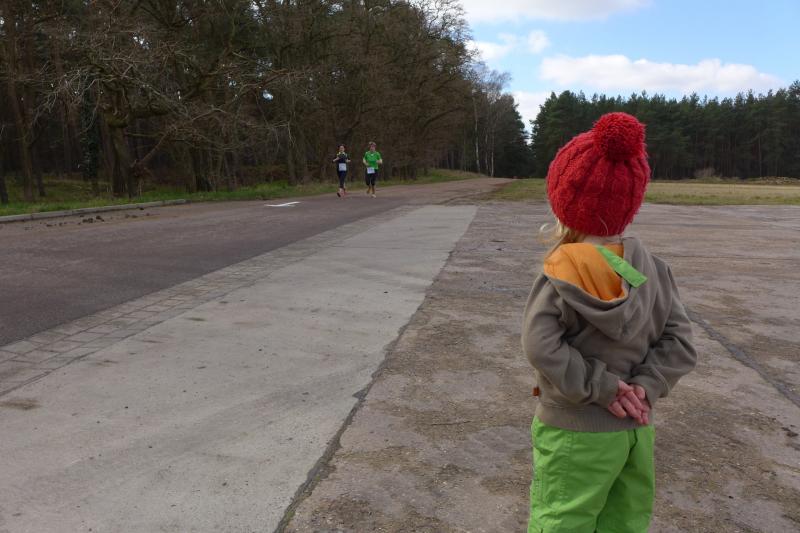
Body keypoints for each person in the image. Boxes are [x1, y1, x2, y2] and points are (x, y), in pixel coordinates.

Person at [521, 112, 697, 533]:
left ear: (562, 198)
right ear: (630, 204)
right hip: (636, 428)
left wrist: (603, 388)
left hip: (574, 430)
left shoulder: (560, 272)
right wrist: (644, 388)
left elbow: (540, 345)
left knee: (562, 519)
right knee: (624, 521)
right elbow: (680, 343)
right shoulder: (654, 269)